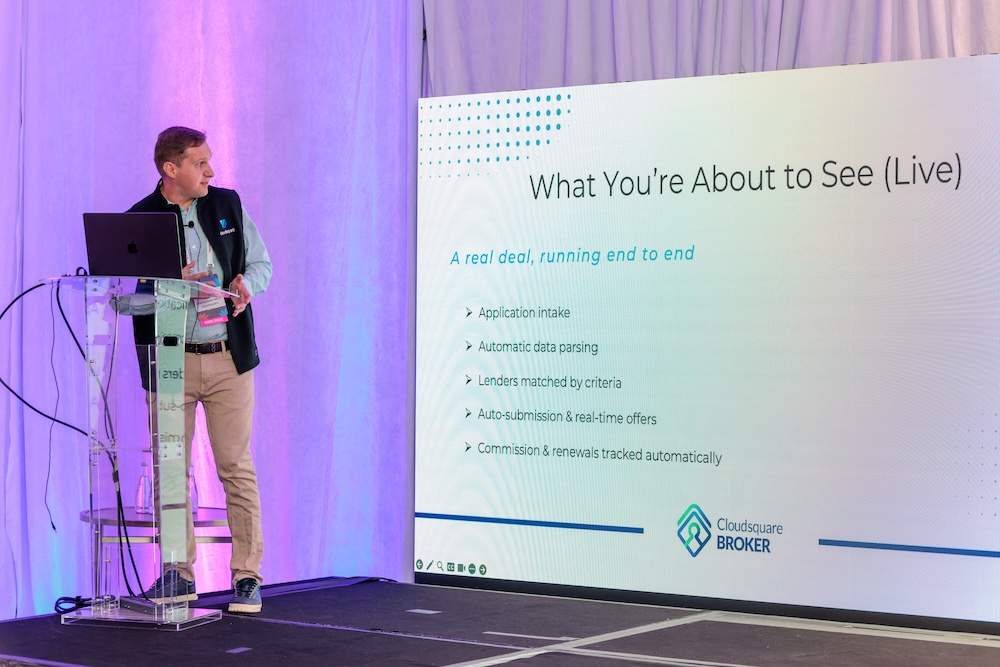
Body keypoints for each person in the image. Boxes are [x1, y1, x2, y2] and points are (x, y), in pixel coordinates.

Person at [126, 126, 272, 614]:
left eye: (209, 161)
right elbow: (125, 298)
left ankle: (247, 576)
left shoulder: (227, 204)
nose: (210, 170)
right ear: (171, 169)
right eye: (199, 162)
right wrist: (168, 284)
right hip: (170, 360)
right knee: (170, 469)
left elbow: (262, 264)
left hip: (229, 358)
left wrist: (248, 285)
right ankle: (177, 574)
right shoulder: (139, 220)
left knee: (236, 467)